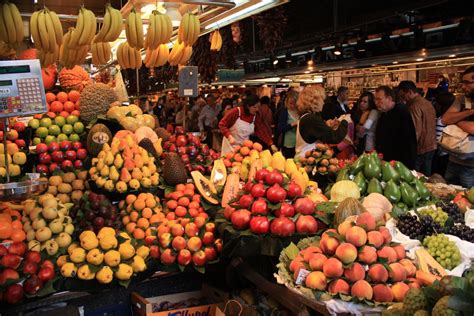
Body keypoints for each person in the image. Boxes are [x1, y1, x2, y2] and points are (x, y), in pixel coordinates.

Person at [441, 66, 474, 187]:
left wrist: (455, 120)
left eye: (467, 83)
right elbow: (445, 119)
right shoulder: (462, 99)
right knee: (447, 195)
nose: (463, 86)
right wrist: (470, 112)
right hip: (453, 159)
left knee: (469, 201)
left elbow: (472, 129)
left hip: (471, 166)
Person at [295, 85, 348, 158]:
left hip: (304, 158)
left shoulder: (306, 116)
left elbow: (314, 132)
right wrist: (345, 121)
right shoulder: (311, 119)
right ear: (314, 101)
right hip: (307, 160)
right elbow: (335, 137)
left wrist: (326, 125)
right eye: (322, 100)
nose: (323, 103)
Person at [398, 81, 437, 176]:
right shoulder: (427, 102)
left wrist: (410, 149)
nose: (403, 99)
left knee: (416, 176)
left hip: (421, 148)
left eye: (403, 96)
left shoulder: (414, 106)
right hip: (431, 145)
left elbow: (415, 130)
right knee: (426, 175)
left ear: (410, 92)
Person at [374, 86, 417, 169]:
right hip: (386, 162)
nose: (376, 102)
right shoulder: (383, 114)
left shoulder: (401, 113)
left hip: (400, 163)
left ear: (389, 98)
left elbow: (408, 142)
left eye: (379, 99)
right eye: (375, 100)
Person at [432, 91, 455, 176]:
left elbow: (438, 138)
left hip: (443, 154)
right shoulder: (453, 118)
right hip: (450, 153)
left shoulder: (442, 119)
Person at [277, 90, 299, 158]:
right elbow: (280, 128)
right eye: (290, 103)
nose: (292, 105)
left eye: (294, 103)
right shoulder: (284, 113)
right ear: (286, 102)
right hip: (288, 144)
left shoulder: (301, 112)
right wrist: (292, 124)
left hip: (300, 144)